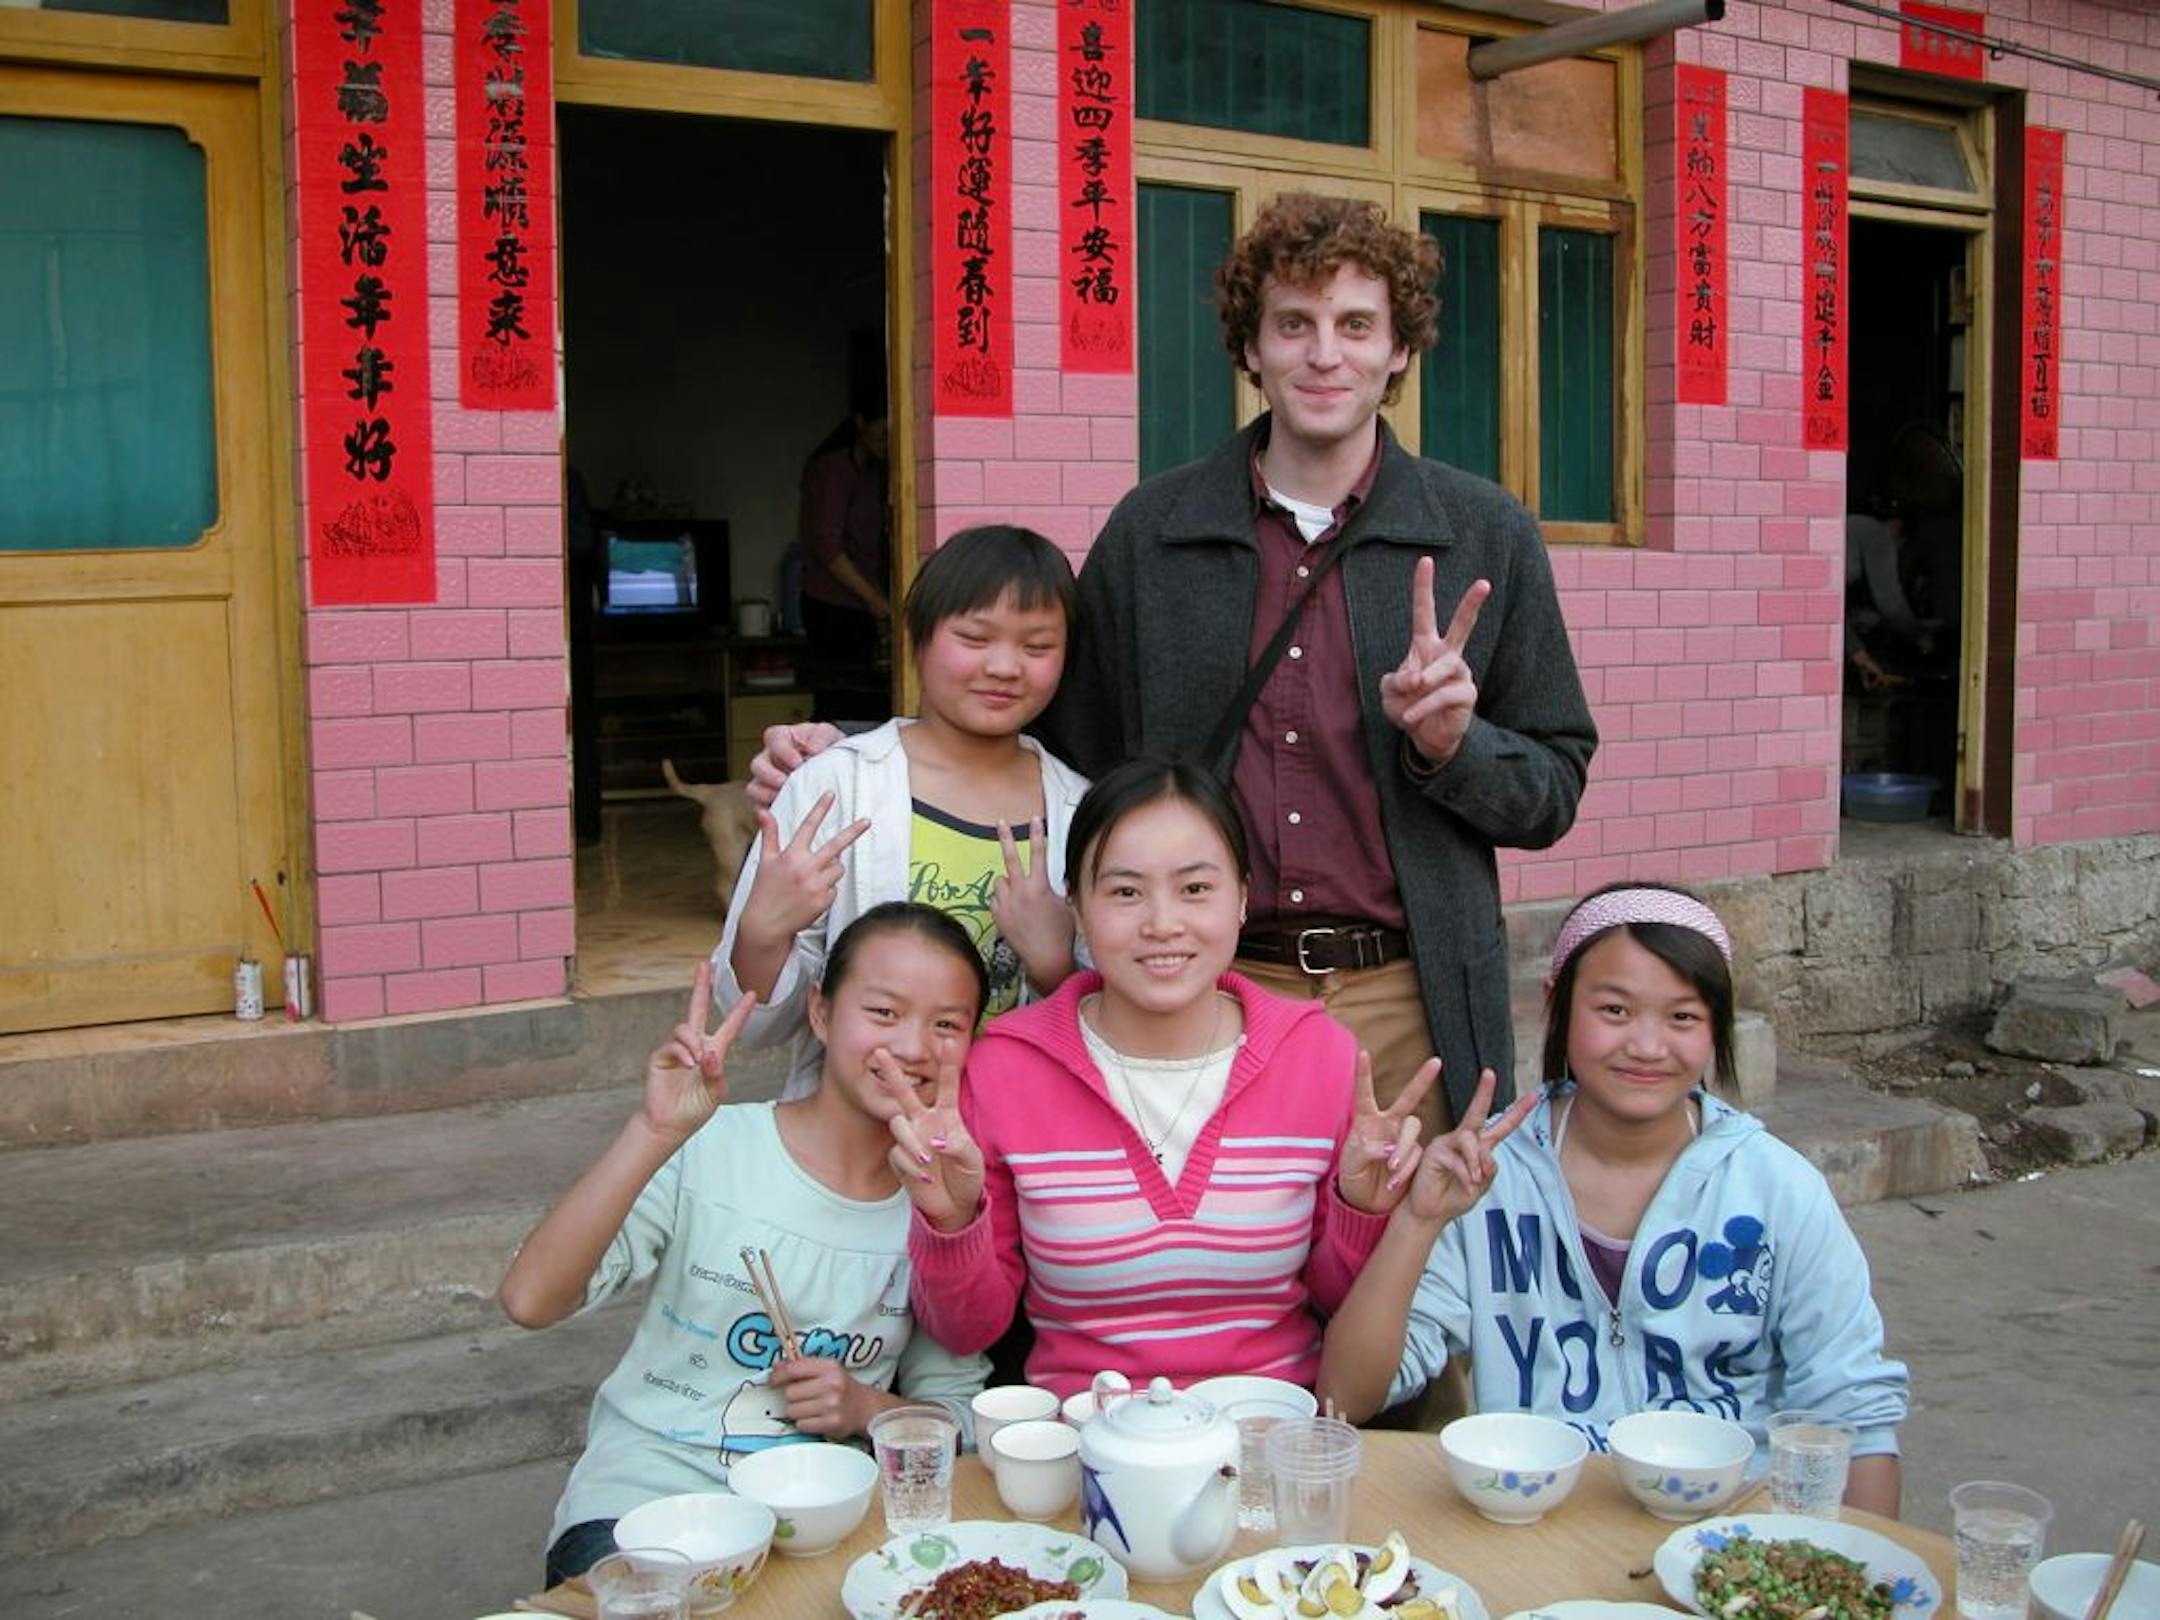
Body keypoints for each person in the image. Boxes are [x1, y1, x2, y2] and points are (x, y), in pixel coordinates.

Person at [753, 194, 1597, 1138]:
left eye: (1357, 325)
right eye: (1294, 325)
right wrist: (862, 755)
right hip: (1195, 991)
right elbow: (1042, 737)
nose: (1326, 354)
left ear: (1399, 351)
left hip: (1411, 997)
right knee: (1217, 1272)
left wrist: (1454, 747)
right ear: (1251, 349)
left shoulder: (1486, 533)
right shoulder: (1154, 533)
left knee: (1414, 1274)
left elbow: (1554, 787)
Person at [1314, 882, 1909, 1518]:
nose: (1647, 1047)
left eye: (1683, 1017)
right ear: (1558, 1004)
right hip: (1534, 1525)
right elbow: (1346, 1400)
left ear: (1718, 1025)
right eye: (1615, 1011)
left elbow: (1854, 1420)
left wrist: (1857, 1565)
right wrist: (1415, 1222)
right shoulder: (1486, 1181)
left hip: (1735, 1532)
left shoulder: (1778, 1189)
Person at [882, 758, 1439, 1396]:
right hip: (1090, 1454)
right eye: (1125, 891)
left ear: (1242, 900)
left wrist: (1361, 1208)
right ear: (1078, 910)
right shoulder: (1005, 1066)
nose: (1162, 923)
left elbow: (1333, 1297)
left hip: (1268, 1444)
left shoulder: (1318, 1056)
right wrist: (952, 1222)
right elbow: (966, 1330)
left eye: (1196, 889)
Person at [500, 905, 993, 1587]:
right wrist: (653, 1131)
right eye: (882, 1012)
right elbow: (531, 1300)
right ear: (819, 1013)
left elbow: (965, 1419)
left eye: (946, 1025)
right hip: (647, 1509)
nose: (912, 1047)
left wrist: (865, 1409)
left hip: (824, 1530)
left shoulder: (941, 1200)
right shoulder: (716, 1149)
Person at [715, 524, 1090, 1103]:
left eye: (1037, 647)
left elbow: (1106, 1027)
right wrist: (763, 932)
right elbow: (759, 1023)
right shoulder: (833, 785)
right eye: (974, 637)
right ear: (918, 641)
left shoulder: (1083, 813)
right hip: (857, 1142)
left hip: (1012, 1144)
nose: (1004, 666)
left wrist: (1054, 965)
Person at [798, 402, 893, 722]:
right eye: (882, 431)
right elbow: (828, 548)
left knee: (867, 701)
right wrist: (874, 599)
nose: (888, 440)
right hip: (832, 606)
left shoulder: (873, 471)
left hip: (859, 605)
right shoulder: (833, 470)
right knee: (841, 702)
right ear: (860, 423)